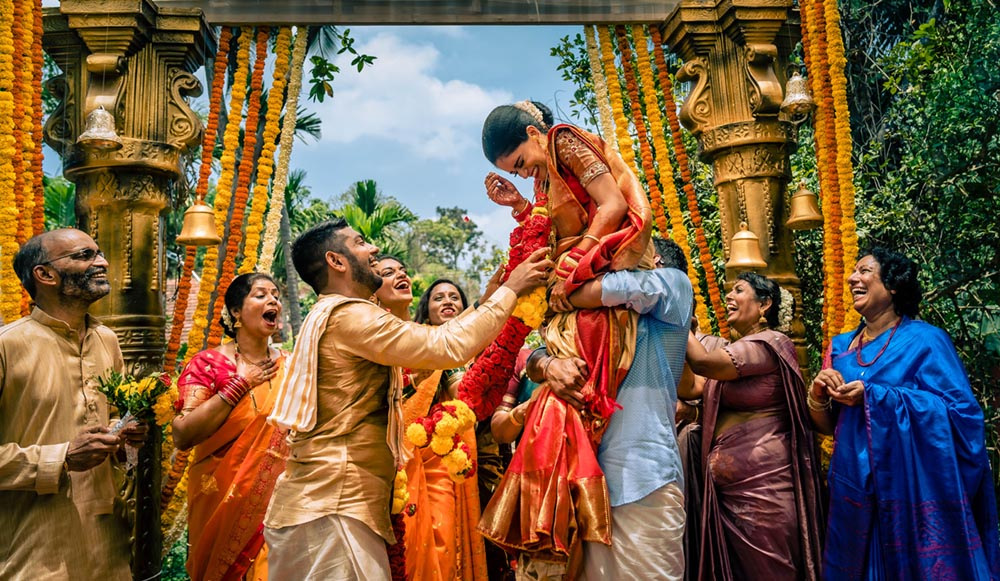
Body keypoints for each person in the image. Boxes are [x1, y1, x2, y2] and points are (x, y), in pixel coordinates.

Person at [262, 218, 551, 579]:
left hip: (327, 505)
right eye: (360, 243)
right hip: (332, 507)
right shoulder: (348, 315)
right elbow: (446, 346)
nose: (373, 250)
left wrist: (486, 301)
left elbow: (433, 351)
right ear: (336, 261)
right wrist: (511, 289)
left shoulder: (332, 315)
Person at [479, 99, 653, 574]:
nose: (523, 173)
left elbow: (613, 205)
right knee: (558, 402)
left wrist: (577, 263)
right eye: (514, 172)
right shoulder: (542, 177)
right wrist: (520, 207)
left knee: (569, 399)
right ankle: (553, 531)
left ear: (534, 133)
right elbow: (551, 232)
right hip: (567, 295)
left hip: (592, 284)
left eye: (520, 162)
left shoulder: (564, 140)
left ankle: (550, 529)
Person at [810, 248, 1000, 580]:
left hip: (907, 492)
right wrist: (816, 395)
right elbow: (828, 426)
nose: (853, 278)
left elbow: (963, 415)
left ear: (893, 285)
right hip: (852, 486)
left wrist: (877, 396)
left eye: (865, 271)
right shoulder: (840, 347)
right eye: (853, 272)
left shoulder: (926, 340)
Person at [511, 237, 694, 579]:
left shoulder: (673, 285)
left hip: (644, 480)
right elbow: (534, 355)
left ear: (651, 258)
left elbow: (613, 288)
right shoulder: (591, 318)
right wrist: (548, 364)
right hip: (580, 484)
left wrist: (558, 290)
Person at [0, 229, 147, 579]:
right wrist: (62, 457)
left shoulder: (106, 340)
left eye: (99, 253)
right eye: (84, 256)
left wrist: (127, 440)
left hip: (108, 544)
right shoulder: (8, 345)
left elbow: (115, 422)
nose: (102, 262)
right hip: (35, 550)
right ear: (45, 274)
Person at [684, 271, 824, 581]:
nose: (729, 297)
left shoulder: (770, 343)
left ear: (764, 305)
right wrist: (682, 338)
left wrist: (677, 316)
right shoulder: (734, 354)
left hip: (764, 492)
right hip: (727, 497)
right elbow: (691, 387)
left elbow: (703, 363)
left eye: (739, 290)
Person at [171, 272, 288, 580]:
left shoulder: (291, 365)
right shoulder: (208, 364)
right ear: (236, 311)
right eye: (261, 295)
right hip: (220, 497)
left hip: (282, 500)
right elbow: (183, 434)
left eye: (276, 296)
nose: (273, 301)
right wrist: (240, 385)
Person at [403, 278, 489, 580]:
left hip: (463, 456)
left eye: (454, 296)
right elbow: (460, 393)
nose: (448, 301)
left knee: (448, 538)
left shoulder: (477, 351)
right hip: (421, 457)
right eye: (438, 297)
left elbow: (466, 397)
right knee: (425, 539)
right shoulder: (418, 343)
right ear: (426, 309)